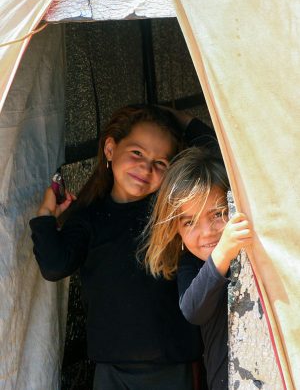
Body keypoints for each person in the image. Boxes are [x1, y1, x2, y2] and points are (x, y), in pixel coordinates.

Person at [29, 105, 216, 390]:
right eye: (137, 153)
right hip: (111, 370)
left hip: (172, 366)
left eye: (161, 163)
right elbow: (55, 266)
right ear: (110, 149)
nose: (145, 168)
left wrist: (183, 120)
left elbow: (217, 159)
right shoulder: (88, 218)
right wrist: (45, 215)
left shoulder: (169, 213)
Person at [144, 147, 253, 390]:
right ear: (176, 231)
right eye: (189, 222)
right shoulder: (191, 264)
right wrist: (223, 252)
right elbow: (193, 309)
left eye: (218, 214)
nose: (207, 232)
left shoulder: (258, 253)